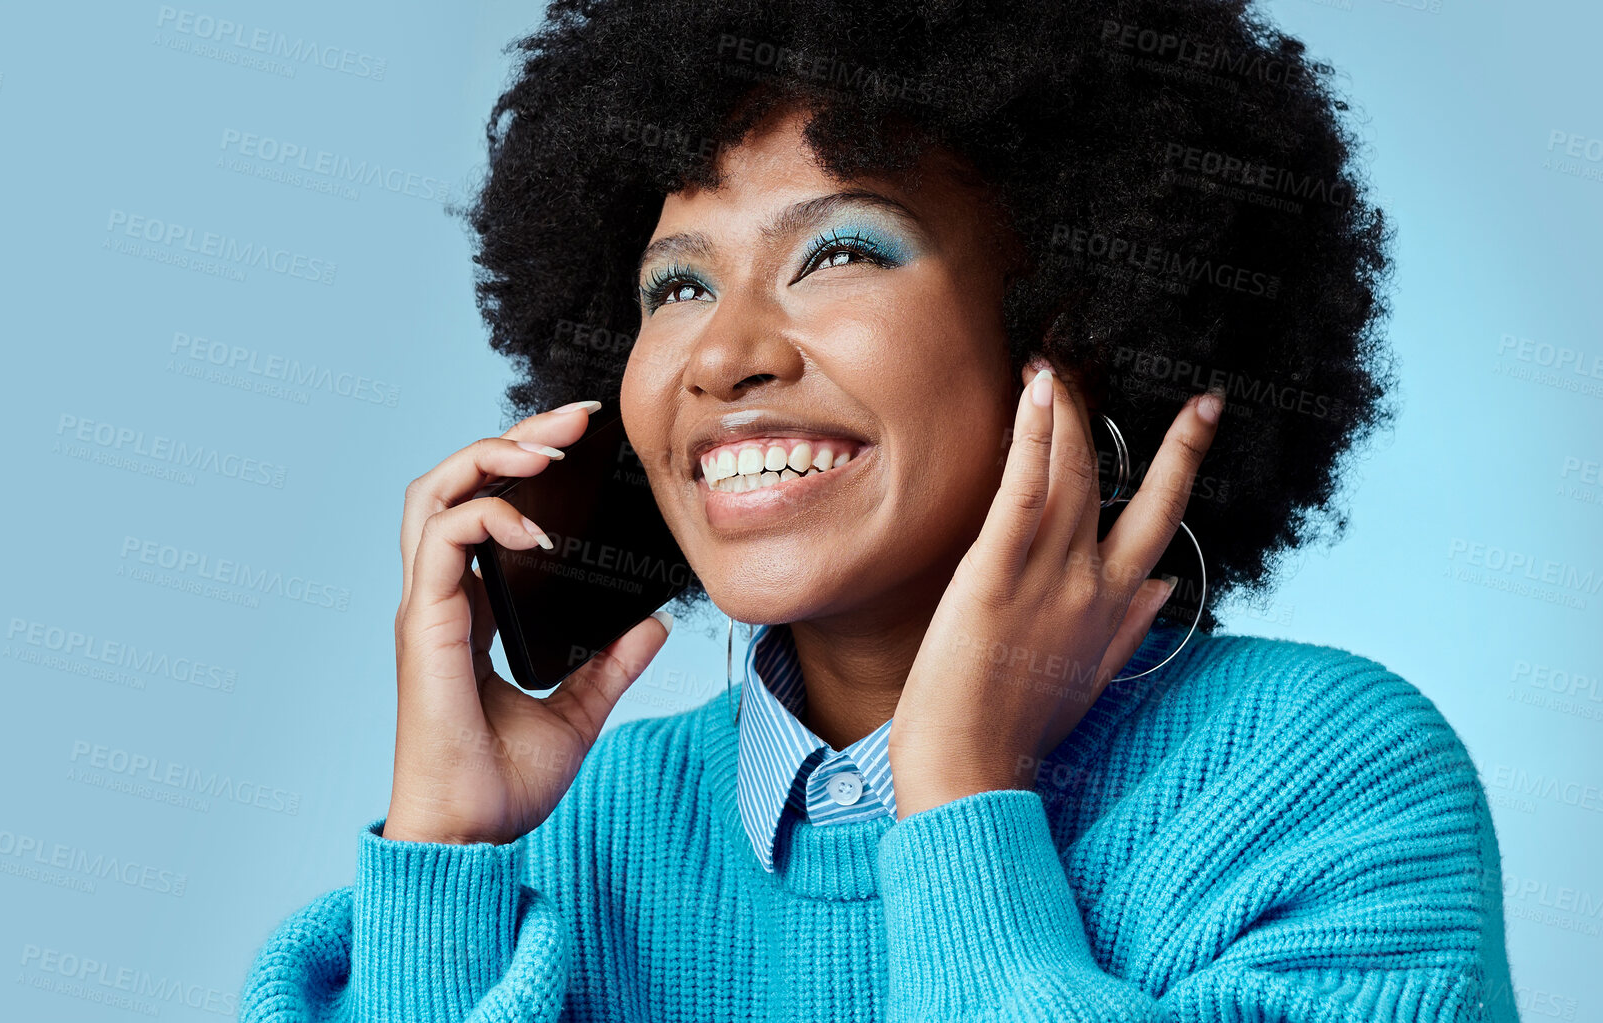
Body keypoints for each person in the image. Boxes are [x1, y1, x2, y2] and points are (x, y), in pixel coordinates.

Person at [242, 1, 1520, 1019]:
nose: (720, 355)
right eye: (674, 286)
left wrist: (960, 792)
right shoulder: (573, 829)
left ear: (1061, 335)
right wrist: (443, 859)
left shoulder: (1320, 775)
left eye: (840, 252)